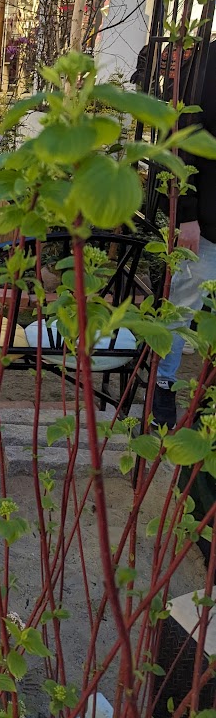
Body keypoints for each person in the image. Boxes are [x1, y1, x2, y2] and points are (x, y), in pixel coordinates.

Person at [151, 40, 216, 429]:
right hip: (206, 221)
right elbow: (182, 135)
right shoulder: (207, 62)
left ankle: (206, 398)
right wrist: (186, 214)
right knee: (182, 306)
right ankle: (163, 383)